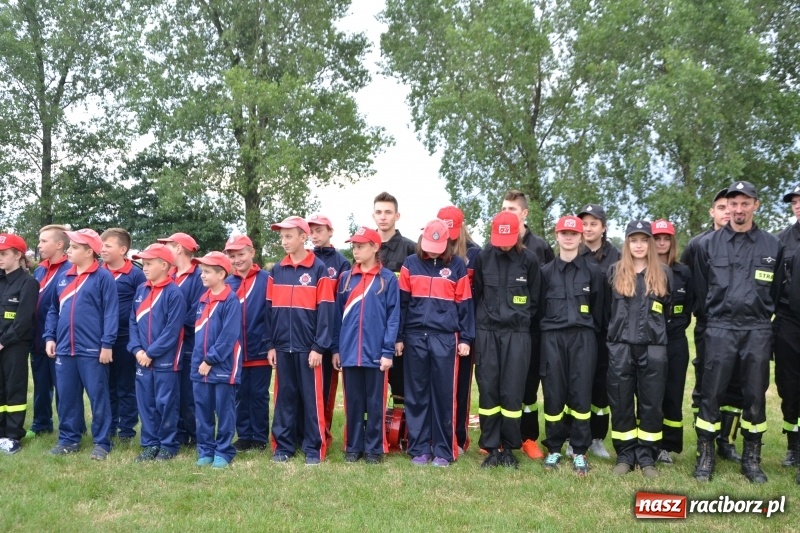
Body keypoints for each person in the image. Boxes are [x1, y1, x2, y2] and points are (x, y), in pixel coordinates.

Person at [693, 181, 783, 484]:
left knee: (755, 395)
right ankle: (705, 456)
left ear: (756, 205)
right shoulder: (708, 245)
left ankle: (752, 459)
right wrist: (714, 321)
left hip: (757, 329)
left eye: (745, 203)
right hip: (719, 328)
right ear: (726, 207)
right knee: (711, 393)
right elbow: (701, 290)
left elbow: (777, 288)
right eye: (734, 203)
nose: (739, 209)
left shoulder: (773, 246)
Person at [397, 219, 474, 467]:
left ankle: (443, 449)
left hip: (445, 338)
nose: (433, 250)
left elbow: (465, 304)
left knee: (444, 395)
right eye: (429, 245)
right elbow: (402, 304)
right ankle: (419, 447)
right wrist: (399, 336)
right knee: (417, 394)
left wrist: (465, 337)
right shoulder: (410, 264)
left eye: (438, 246)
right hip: (415, 337)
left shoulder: (457, 266)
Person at [473, 212, 541, 469]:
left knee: (512, 391)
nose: (504, 243)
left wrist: (518, 321)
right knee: (489, 388)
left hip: (517, 333)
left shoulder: (529, 261)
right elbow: (478, 292)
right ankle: (491, 446)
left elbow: (535, 301)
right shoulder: (483, 258)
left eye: (508, 238)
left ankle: (510, 446)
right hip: (487, 331)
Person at [681, 189, 744, 463]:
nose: (727, 212)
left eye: (730, 207)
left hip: (742, 325)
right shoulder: (698, 244)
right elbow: (683, 280)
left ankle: (726, 442)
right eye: (720, 207)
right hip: (708, 324)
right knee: (707, 384)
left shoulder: (748, 242)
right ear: (712, 212)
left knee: (735, 385)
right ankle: (703, 443)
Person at [44, 229, 119, 460]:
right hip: (65, 349)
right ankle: (68, 439)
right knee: (67, 396)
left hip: (93, 350)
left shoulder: (103, 277)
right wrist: (50, 336)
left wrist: (107, 344)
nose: (69, 250)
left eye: (75, 247)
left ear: (89, 252)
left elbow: (111, 313)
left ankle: (102, 442)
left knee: (98, 397)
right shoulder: (64, 276)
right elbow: (54, 310)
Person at [538, 216, 604, 476]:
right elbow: (539, 310)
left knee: (580, 394)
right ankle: (554, 446)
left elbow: (599, 311)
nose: (568, 237)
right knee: (554, 393)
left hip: (583, 338)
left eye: (573, 233)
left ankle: (579, 450)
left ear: (580, 237)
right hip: (552, 338)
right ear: (557, 235)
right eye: (564, 233)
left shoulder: (593, 272)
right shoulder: (545, 273)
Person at [267, 216, 336, 465]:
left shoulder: (319, 270)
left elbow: (327, 312)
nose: (284, 241)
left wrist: (319, 346)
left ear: (303, 237)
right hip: (283, 347)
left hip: (309, 349)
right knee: (284, 397)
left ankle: (313, 448)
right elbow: (269, 312)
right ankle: (283, 447)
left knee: (311, 399)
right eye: (282, 236)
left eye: (289, 236)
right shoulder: (276, 270)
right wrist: (271, 344)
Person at [607, 221, 671, 478]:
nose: (639, 245)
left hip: (654, 348)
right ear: (627, 243)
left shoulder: (664, 273)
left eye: (644, 240)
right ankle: (625, 454)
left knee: (651, 404)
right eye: (634, 240)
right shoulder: (613, 271)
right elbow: (605, 311)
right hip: (620, 347)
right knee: (621, 402)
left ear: (651, 243)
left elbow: (672, 313)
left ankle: (647, 457)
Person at [332, 226, 400, 464]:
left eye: (361, 246)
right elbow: (336, 316)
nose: (356, 250)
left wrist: (387, 351)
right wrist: (336, 349)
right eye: (354, 246)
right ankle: (353, 446)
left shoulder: (388, 279)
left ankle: (373, 448)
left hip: (376, 354)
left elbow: (393, 317)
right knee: (353, 402)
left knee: (375, 403)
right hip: (350, 352)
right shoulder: (345, 279)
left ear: (375, 247)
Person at [501, 190, 553, 460]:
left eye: (512, 209)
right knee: (503, 385)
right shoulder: (497, 245)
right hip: (503, 331)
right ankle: (501, 436)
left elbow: (547, 289)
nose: (507, 213)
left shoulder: (540, 247)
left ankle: (528, 437)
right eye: (504, 209)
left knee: (529, 387)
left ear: (524, 213)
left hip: (531, 330)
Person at [128, 244, 186, 462]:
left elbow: (172, 331)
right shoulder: (141, 290)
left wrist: (150, 353)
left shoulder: (174, 293)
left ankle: (168, 445)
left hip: (166, 362)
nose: (144, 267)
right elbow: (132, 322)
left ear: (164, 265)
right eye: (143, 263)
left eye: (149, 263)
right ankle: (150, 443)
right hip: (142, 360)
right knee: (146, 404)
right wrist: (136, 350)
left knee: (166, 403)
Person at [576, 203, 620, 459]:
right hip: (580, 332)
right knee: (578, 384)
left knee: (601, 388)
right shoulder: (574, 254)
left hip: (607, 333)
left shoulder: (616, 257)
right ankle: (575, 435)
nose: (589, 228)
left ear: (603, 227)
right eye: (585, 223)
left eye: (594, 223)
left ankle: (597, 437)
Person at [191, 251, 243, 469]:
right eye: (202, 271)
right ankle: (205, 450)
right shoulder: (203, 299)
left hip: (221, 366)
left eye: (207, 272)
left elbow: (228, 336)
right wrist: (199, 361)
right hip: (199, 366)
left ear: (221, 274)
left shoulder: (230, 300)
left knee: (224, 410)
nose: (202, 276)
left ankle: (223, 450)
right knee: (202, 410)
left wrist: (210, 360)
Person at [438, 205, 480, 454]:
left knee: (461, 387)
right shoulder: (431, 251)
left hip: (464, 330)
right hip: (439, 331)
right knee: (439, 386)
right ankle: (439, 433)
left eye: (452, 230)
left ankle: (459, 437)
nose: (449, 236)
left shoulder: (475, 254)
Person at [224, 235, 272, 452]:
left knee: (259, 395)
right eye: (232, 256)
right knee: (240, 395)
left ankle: (260, 437)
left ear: (252, 253)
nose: (237, 260)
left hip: (260, 349)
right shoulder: (226, 283)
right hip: (235, 353)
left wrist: (271, 343)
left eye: (241, 254)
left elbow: (273, 315)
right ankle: (244, 435)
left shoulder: (267, 279)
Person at [652, 219, 694, 464]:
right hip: (649, 341)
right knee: (649, 395)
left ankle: (667, 445)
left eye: (666, 238)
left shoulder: (683, 272)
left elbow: (688, 307)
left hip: (676, 340)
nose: (661, 243)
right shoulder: (643, 271)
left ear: (672, 242)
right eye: (657, 238)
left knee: (672, 393)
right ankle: (648, 442)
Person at [307, 214, 350, 446]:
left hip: (329, 337)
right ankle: (303, 433)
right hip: (306, 337)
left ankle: (322, 434)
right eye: (311, 231)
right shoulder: (306, 260)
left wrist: (335, 345)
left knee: (325, 390)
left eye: (319, 230)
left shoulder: (341, 263)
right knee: (305, 391)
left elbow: (341, 307)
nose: (315, 235)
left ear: (330, 231)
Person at [157, 232, 204, 446]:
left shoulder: (199, 276)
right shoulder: (169, 276)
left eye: (167, 245)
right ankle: (177, 432)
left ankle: (196, 434)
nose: (163, 249)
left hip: (189, 345)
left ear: (177, 248)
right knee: (171, 392)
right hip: (168, 346)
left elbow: (198, 311)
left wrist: (170, 324)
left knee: (189, 393)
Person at [101, 228, 146, 443]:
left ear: (123, 249)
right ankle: (109, 426)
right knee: (106, 385)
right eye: (102, 246)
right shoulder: (99, 272)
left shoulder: (136, 275)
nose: (103, 250)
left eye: (108, 246)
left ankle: (127, 430)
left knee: (126, 385)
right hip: (101, 339)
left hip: (126, 338)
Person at [373, 192, 416, 409]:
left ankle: (401, 432)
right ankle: (375, 428)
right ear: (373, 216)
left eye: (388, 212)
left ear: (397, 216)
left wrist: (402, 333)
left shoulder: (410, 249)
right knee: (373, 385)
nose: (383, 217)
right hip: (372, 330)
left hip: (401, 331)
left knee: (401, 384)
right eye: (379, 212)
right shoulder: (366, 248)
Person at [30, 224, 74, 436]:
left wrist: (54, 335)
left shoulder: (69, 270)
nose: (39, 245)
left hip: (59, 337)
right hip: (37, 337)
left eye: (44, 241)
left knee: (63, 387)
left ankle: (71, 428)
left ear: (59, 244)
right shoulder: (39, 269)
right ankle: (41, 425)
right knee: (40, 385)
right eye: (39, 241)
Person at [0, 234, 38, 455]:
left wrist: (3, 342)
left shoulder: (28, 282)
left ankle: (13, 435)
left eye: (4, 254)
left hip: (15, 345)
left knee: (14, 388)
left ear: (18, 255)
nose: (1, 258)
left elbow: (23, 321)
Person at [774, 182, 800, 467]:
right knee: (789, 386)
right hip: (789, 322)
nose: (798, 204)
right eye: (794, 201)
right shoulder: (782, 241)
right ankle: (794, 446)